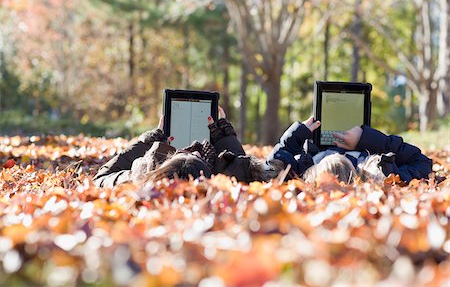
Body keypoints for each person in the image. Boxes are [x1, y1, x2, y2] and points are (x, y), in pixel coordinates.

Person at [94, 108, 274, 188]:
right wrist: (225, 138)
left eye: (183, 153)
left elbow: (101, 178)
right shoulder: (223, 186)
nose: (194, 149)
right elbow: (241, 172)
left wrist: (146, 144)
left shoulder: (140, 178)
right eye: (196, 156)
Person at [266, 117, 433, 183]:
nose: (336, 154)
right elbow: (421, 162)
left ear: (315, 172)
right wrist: (366, 139)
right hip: (363, 148)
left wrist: (294, 138)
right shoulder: (376, 173)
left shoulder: (302, 171)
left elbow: (272, 169)